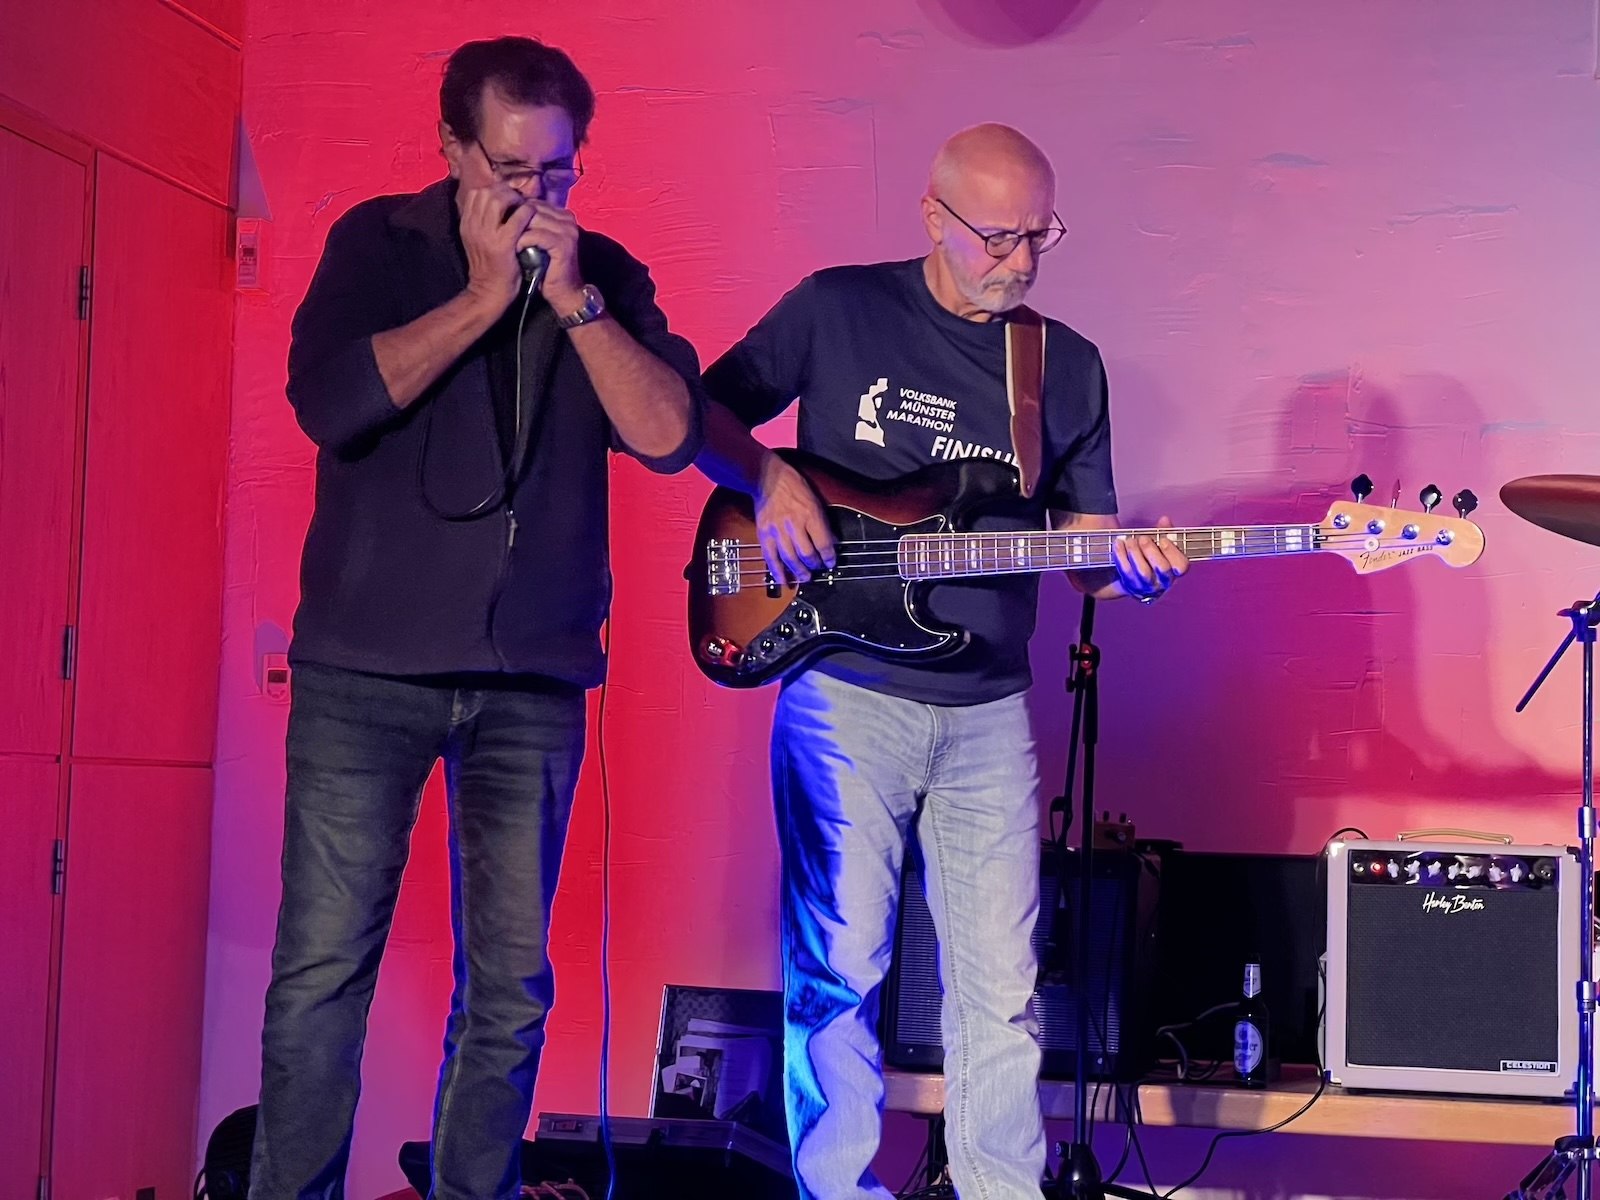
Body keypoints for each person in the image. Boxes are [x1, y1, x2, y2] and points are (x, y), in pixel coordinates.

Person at [695, 123, 1188, 1199]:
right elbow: (697, 413)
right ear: (933, 216)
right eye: (998, 236)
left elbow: (1087, 560)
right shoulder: (836, 309)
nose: (1021, 260)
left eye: (1040, 236)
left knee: (1002, 989)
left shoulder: (1065, 367)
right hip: (846, 694)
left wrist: (1134, 572)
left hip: (987, 710)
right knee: (839, 968)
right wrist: (770, 478)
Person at [251, 36, 703, 1200]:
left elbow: (667, 435)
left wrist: (574, 301)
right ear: (453, 148)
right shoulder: (377, 245)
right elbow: (330, 402)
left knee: (510, 985)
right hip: (365, 673)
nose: (535, 195)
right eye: (510, 170)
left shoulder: (604, 275)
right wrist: (481, 298)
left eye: (558, 172)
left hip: (529, 682)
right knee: (322, 974)